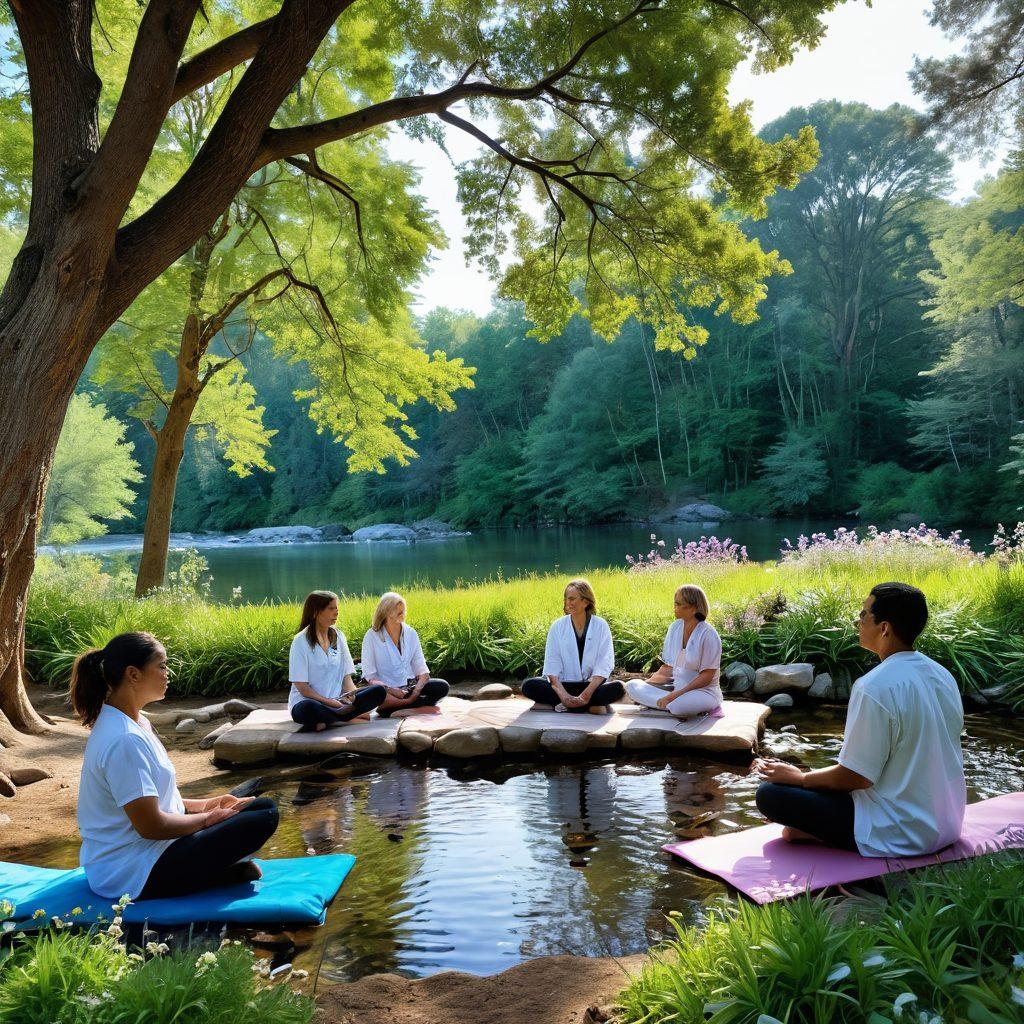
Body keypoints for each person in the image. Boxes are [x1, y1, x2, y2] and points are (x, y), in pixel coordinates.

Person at [755, 582, 966, 857]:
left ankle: (812, 833)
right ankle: (810, 827)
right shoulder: (942, 675)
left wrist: (800, 778)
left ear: (885, 628)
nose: (858, 621)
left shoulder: (874, 686)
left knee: (770, 794)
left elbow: (856, 776)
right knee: (816, 788)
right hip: (947, 823)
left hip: (901, 833)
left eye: (863, 614)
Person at [73, 631, 279, 901]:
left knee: (258, 807)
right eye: (161, 665)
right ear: (133, 674)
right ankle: (211, 876)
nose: (167, 672)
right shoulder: (123, 739)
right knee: (263, 817)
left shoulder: (136, 722)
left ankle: (215, 872)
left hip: (151, 851)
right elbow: (151, 826)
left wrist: (206, 804)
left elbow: (152, 799)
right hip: (130, 873)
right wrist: (207, 819)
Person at [290, 590, 388, 731]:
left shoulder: (339, 636)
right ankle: (341, 718)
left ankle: (331, 719)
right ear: (316, 612)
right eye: (331, 608)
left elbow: (346, 680)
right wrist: (330, 702)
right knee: (307, 708)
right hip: (311, 702)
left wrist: (354, 699)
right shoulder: (300, 641)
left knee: (379, 691)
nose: (336, 612)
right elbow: (303, 688)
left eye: (337, 608)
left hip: (340, 703)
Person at [522, 579, 623, 713]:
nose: (567, 603)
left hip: (590, 686)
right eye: (566, 599)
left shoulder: (601, 625)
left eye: (572, 599)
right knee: (529, 686)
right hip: (564, 687)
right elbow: (552, 664)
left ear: (586, 601)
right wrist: (563, 696)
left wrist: (586, 695)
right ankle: (587, 706)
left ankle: (560, 705)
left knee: (618, 688)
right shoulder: (557, 626)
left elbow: (605, 662)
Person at [624, 584, 724, 718]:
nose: (674, 607)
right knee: (632, 686)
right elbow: (668, 667)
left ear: (693, 608)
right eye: (674, 603)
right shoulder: (675, 627)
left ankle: (705, 706)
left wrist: (673, 696)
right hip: (677, 692)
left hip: (704, 692)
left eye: (678, 604)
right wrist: (647, 685)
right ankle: (669, 705)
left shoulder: (708, 634)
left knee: (679, 706)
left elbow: (707, 677)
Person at [360, 592, 450, 717]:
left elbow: (422, 671)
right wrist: (391, 690)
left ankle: (398, 706)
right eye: (399, 612)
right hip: (387, 691)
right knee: (376, 692)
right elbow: (370, 677)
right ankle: (408, 705)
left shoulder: (411, 633)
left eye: (404, 611)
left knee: (442, 687)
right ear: (386, 612)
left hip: (410, 689)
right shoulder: (371, 636)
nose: (403, 615)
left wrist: (415, 692)